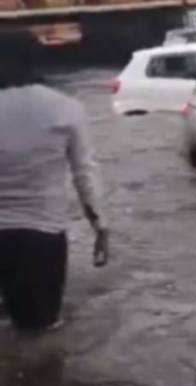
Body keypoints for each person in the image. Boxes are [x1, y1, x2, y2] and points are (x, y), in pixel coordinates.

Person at [0, 34, 110, 334]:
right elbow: (84, 173)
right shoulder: (65, 108)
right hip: (41, 235)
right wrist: (101, 227)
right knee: (42, 331)